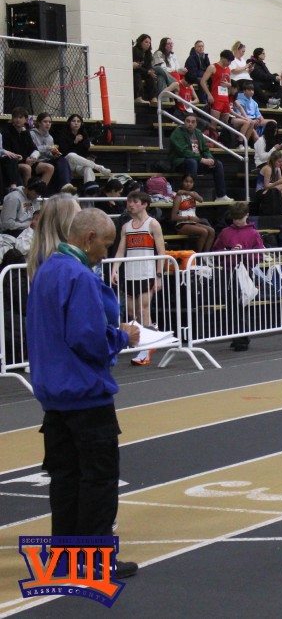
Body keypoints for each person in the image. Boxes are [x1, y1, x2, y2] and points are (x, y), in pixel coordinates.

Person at [26, 207, 141, 579]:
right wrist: (121, 337)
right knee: (98, 479)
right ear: (89, 239)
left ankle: (63, 556)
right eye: (105, 245)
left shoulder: (46, 270)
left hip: (53, 393)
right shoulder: (80, 276)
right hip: (85, 392)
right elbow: (89, 339)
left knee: (65, 479)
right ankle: (93, 559)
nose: (105, 254)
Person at [110, 191, 166, 367]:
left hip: (146, 273)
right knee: (132, 313)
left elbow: (161, 252)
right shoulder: (126, 226)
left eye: (134, 201)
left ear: (144, 204)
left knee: (143, 310)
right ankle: (152, 332)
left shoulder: (153, 224)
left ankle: (146, 348)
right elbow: (120, 250)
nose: (130, 204)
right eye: (129, 201)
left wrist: (159, 276)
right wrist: (115, 269)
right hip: (130, 274)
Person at [212, 202, 264, 352]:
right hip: (229, 272)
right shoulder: (225, 232)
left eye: (239, 218)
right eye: (235, 218)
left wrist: (243, 254)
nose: (237, 221)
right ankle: (236, 336)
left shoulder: (254, 233)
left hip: (245, 273)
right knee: (231, 307)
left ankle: (242, 338)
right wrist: (227, 251)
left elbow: (259, 255)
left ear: (246, 216)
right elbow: (216, 251)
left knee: (242, 306)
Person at [169, 113, 232, 202]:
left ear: (196, 124)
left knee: (218, 164)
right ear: (184, 122)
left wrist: (210, 158)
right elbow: (183, 151)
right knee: (192, 162)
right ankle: (191, 195)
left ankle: (221, 195)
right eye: (188, 121)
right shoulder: (177, 133)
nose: (190, 124)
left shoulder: (198, 133)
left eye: (193, 122)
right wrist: (201, 159)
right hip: (180, 163)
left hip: (197, 162)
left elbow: (205, 149)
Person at [57, 114, 113, 184]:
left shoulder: (84, 134)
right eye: (73, 121)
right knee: (71, 155)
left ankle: (90, 188)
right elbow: (63, 151)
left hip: (80, 164)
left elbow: (85, 150)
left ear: (81, 124)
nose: (76, 123)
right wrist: (75, 142)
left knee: (88, 168)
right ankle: (98, 167)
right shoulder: (64, 134)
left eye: (78, 121)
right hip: (68, 164)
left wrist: (89, 157)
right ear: (69, 123)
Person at [171, 174, 216, 252]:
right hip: (182, 225)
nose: (188, 184)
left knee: (212, 231)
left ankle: (206, 255)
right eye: (186, 181)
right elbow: (173, 217)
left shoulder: (193, 194)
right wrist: (189, 218)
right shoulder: (179, 197)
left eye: (191, 182)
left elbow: (201, 200)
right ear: (182, 182)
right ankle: (198, 255)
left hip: (193, 223)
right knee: (204, 231)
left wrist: (189, 193)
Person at [132, 33, 156, 103]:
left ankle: (153, 97)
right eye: (146, 42)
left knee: (151, 77)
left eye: (149, 43)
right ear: (140, 42)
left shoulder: (148, 54)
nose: (148, 44)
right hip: (136, 71)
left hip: (144, 71)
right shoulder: (135, 50)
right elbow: (137, 66)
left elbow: (149, 65)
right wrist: (147, 71)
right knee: (137, 75)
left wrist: (151, 71)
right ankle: (138, 97)